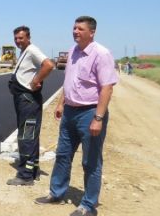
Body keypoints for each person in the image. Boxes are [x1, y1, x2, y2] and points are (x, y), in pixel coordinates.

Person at [35, 16, 118, 216]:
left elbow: (107, 88)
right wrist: (62, 103)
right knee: (63, 155)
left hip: (90, 112)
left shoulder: (101, 54)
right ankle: (57, 193)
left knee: (90, 161)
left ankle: (88, 205)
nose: (75, 32)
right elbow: (70, 81)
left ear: (92, 32)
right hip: (70, 112)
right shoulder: (72, 52)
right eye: (74, 28)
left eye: (80, 29)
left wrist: (98, 118)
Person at [6, 26, 54, 186]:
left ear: (28, 37)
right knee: (30, 135)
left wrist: (36, 80)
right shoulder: (24, 51)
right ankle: (33, 170)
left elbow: (48, 65)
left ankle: (25, 175)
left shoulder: (32, 50)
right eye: (16, 38)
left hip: (28, 101)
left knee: (26, 136)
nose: (18, 41)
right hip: (23, 100)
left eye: (21, 38)